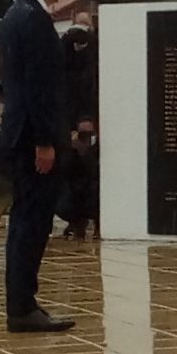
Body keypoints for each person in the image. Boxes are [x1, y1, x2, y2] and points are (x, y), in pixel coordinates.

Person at [0, 0, 76, 333]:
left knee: (25, 221)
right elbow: (39, 89)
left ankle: (23, 301)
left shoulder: (15, 14)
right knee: (32, 223)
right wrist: (45, 142)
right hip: (33, 139)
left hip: (19, 134)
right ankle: (22, 306)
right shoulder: (34, 21)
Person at [57, 14, 100, 240]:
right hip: (72, 124)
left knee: (91, 175)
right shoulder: (68, 52)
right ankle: (76, 219)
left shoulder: (94, 53)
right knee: (73, 175)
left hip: (91, 122)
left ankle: (91, 219)